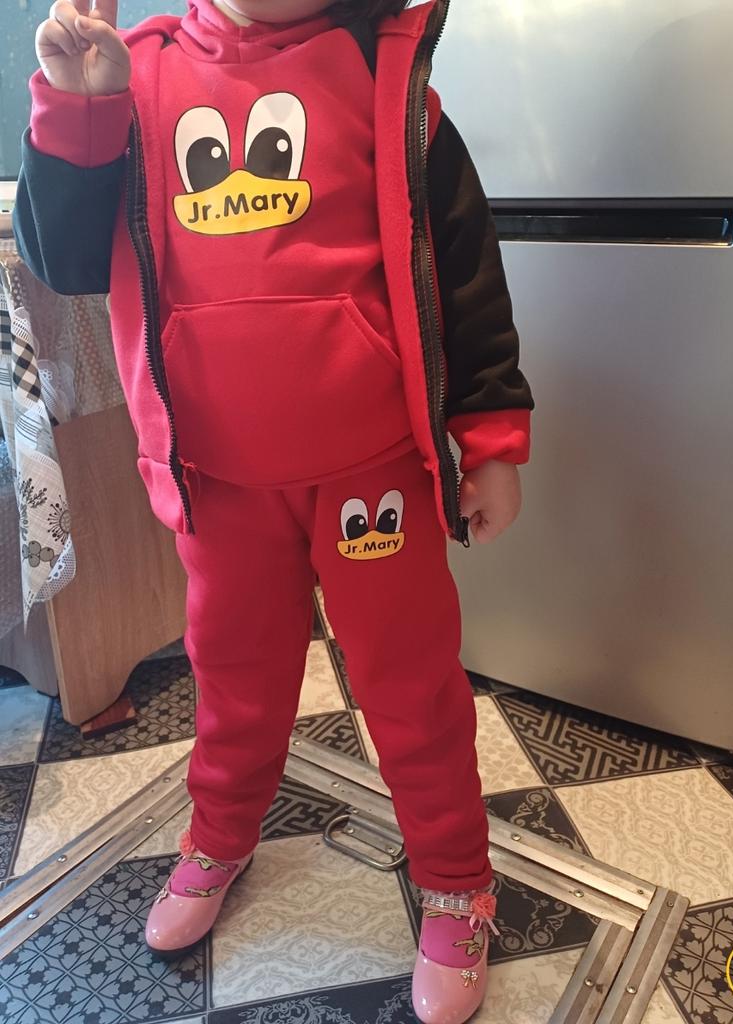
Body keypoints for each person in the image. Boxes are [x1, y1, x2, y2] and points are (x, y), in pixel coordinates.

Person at [15, 1, 533, 1020]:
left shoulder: (383, 75)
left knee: (410, 683)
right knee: (234, 679)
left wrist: (493, 436)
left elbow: (464, 269)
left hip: (371, 474)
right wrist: (81, 106)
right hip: (220, 477)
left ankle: (455, 878)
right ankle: (219, 835)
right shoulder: (136, 74)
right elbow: (63, 262)